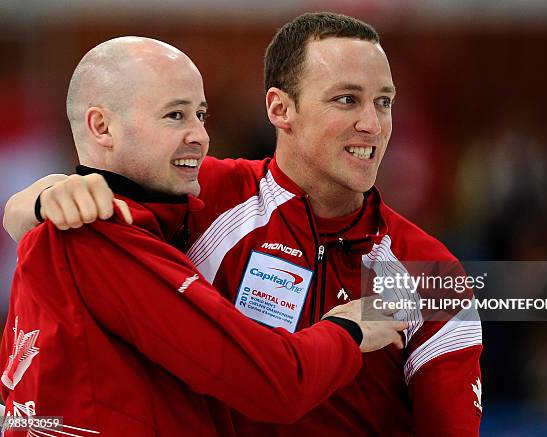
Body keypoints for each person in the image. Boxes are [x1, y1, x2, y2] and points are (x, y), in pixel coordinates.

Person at [4, 13, 483, 435]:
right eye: (346, 100)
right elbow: (79, 214)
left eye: (383, 102)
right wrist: (44, 195)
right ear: (280, 109)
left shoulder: (430, 274)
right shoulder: (203, 195)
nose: (373, 125)